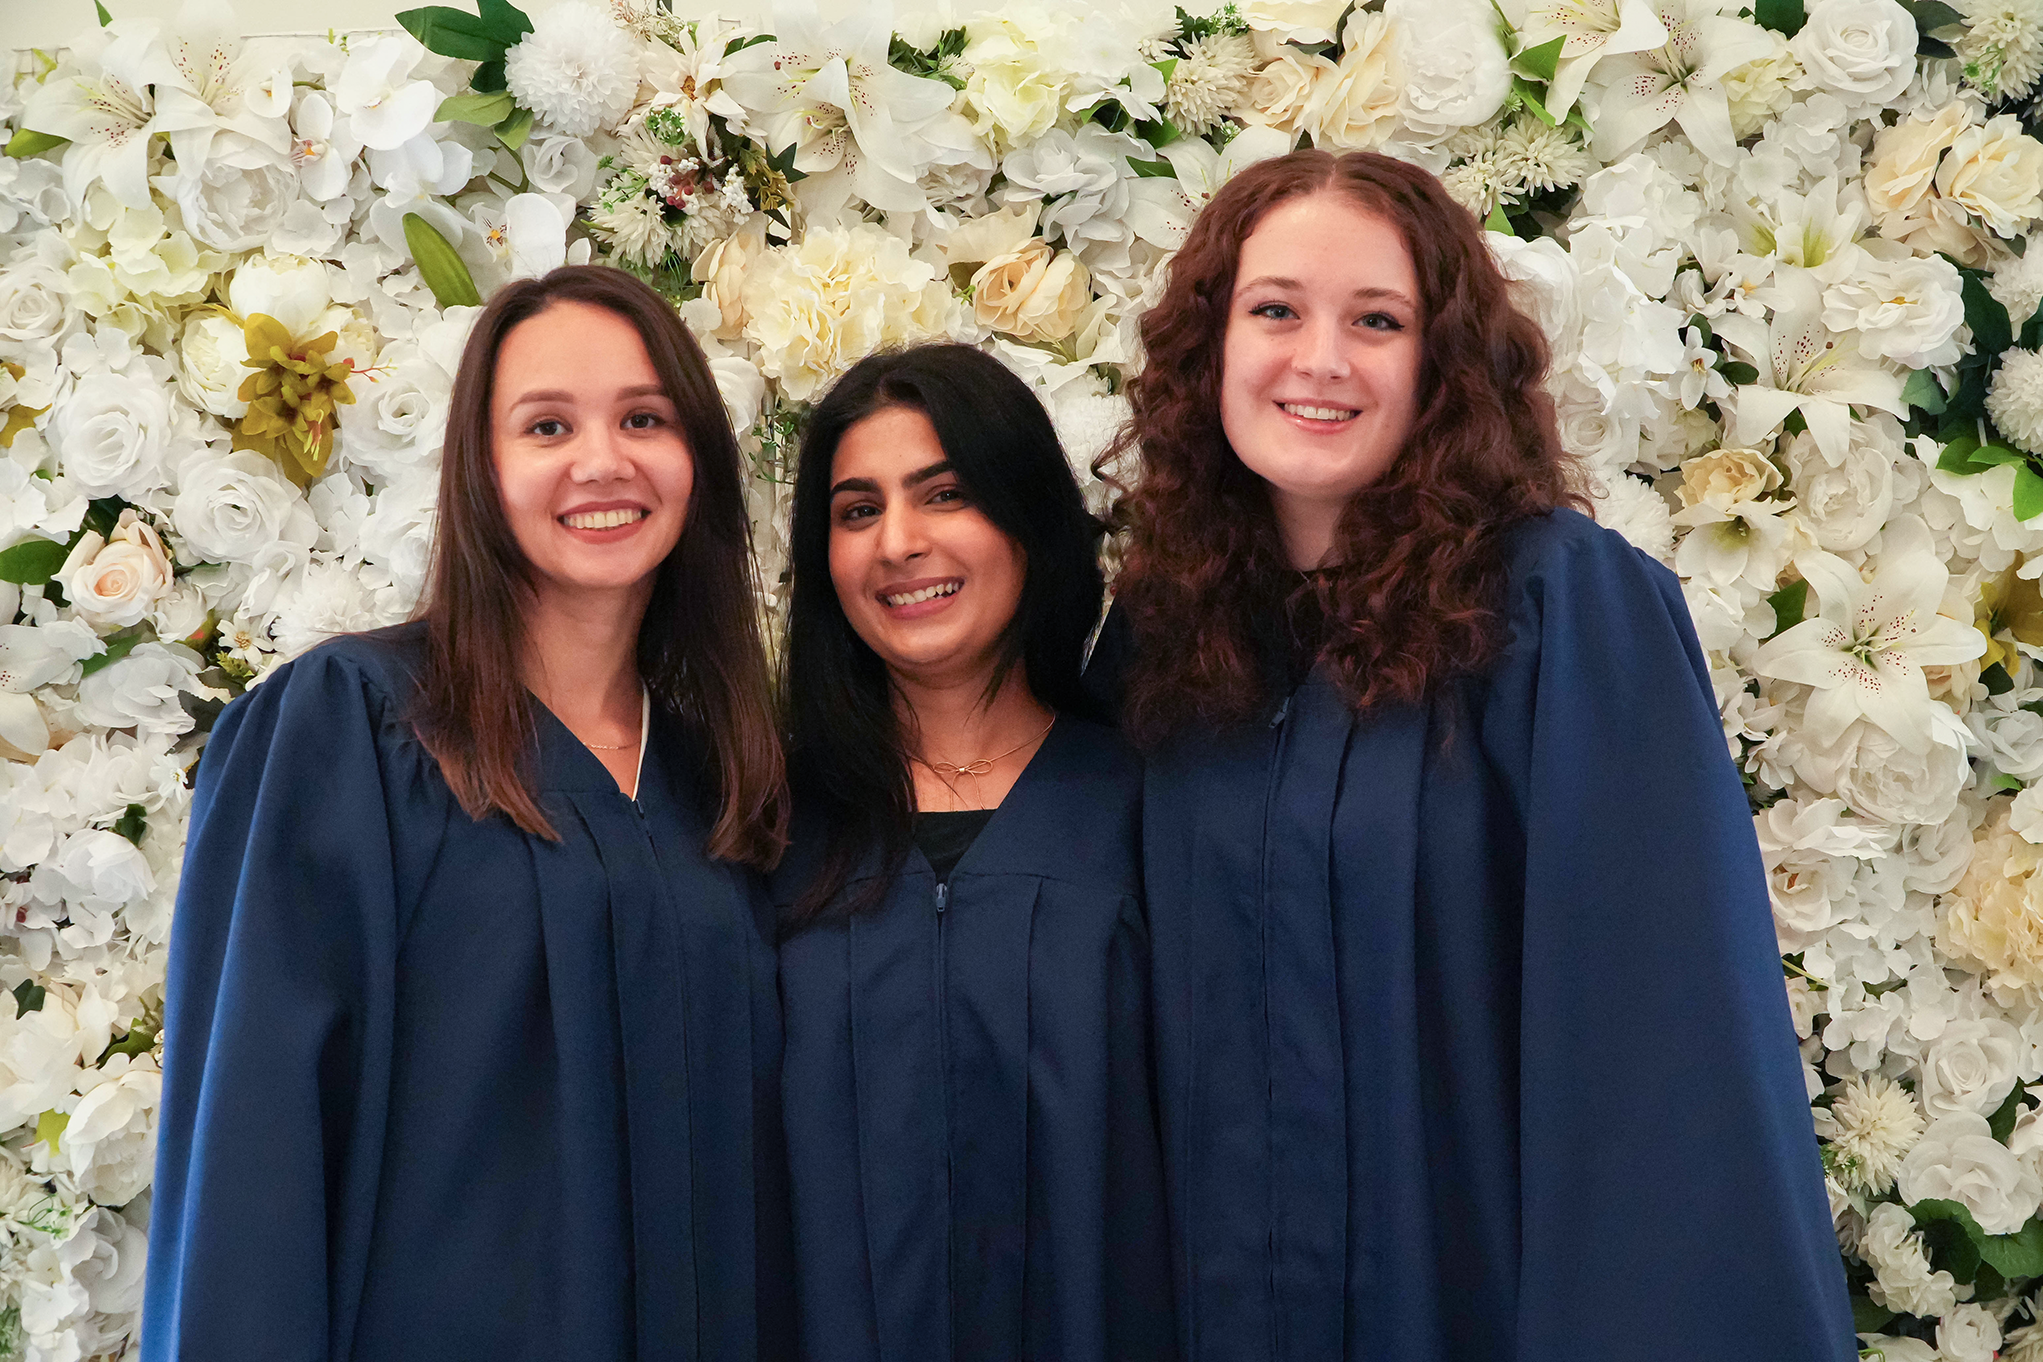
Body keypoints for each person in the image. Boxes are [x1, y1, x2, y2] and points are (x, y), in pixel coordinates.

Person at [1086, 150, 1854, 1359]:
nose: (1320, 359)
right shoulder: (1168, 633)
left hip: (1473, 1308)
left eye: (1377, 320)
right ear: (1209, 347)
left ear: (1441, 362)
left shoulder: (1558, 609)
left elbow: (1665, 1051)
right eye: (1275, 310)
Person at [143, 266, 794, 1360]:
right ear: (480, 470)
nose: (604, 459)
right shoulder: (354, 729)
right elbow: (254, 1146)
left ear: (699, 462)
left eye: (645, 418)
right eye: (548, 426)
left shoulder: (717, 781)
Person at [773, 344, 1174, 1362]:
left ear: (1028, 522)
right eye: (857, 511)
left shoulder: (1150, 813)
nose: (898, 543)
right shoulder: (763, 827)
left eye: (944, 494)